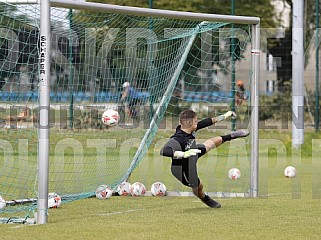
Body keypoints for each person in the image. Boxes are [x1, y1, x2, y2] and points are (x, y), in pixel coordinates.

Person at [160, 109, 250, 208]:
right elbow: (164, 150)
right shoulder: (178, 138)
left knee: (210, 143)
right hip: (183, 170)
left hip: (193, 153)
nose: (197, 123)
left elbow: (206, 122)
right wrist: (183, 154)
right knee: (198, 187)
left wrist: (224, 116)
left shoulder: (189, 128)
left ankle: (232, 135)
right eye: (195, 121)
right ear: (190, 123)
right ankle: (205, 198)